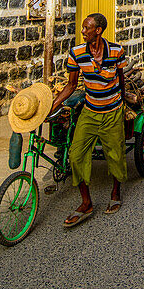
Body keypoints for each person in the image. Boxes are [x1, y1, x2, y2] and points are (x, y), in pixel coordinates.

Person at [52, 12, 128, 227]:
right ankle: (86, 202)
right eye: (83, 28)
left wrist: (123, 105)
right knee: (75, 155)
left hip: (113, 111)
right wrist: (53, 106)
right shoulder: (76, 53)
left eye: (87, 28)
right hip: (90, 111)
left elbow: (121, 80)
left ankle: (115, 191)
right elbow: (71, 85)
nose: (82, 31)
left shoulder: (116, 51)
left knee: (115, 154)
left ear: (98, 30)